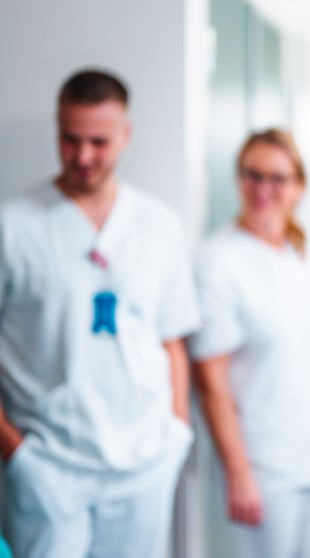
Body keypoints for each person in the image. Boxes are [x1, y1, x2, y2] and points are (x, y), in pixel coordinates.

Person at [0, 69, 199, 558]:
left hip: (144, 460)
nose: (83, 156)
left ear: (125, 135)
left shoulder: (159, 225)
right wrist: (17, 453)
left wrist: (176, 432)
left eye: (99, 142)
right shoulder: (14, 226)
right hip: (48, 463)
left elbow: (171, 340)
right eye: (70, 140)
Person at [191, 129, 310, 558]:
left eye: (277, 178)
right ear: (238, 179)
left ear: (299, 186)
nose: (263, 188)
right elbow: (211, 383)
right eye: (252, 175)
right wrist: (237, 472)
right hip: (266, 464)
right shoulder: (217, 260)